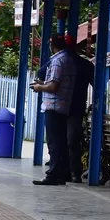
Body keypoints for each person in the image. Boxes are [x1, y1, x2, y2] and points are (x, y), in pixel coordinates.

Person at [31, 33, 77, 185]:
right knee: (61, 141)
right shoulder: (69, 60)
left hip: (54, 106)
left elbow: (53, 86)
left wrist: (39, 87)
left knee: (54, 142)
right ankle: (62, 174)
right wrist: (44, 82)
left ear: (53, 46)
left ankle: (52, 174)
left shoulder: (57, 61)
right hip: (64, 105)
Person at [66, 36, 94, 182]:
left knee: (71, 140)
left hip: (74, 108)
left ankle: (74, 171)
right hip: (67, 108)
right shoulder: (58, 62)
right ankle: (69, 170)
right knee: (70, 140)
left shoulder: (84, 65)